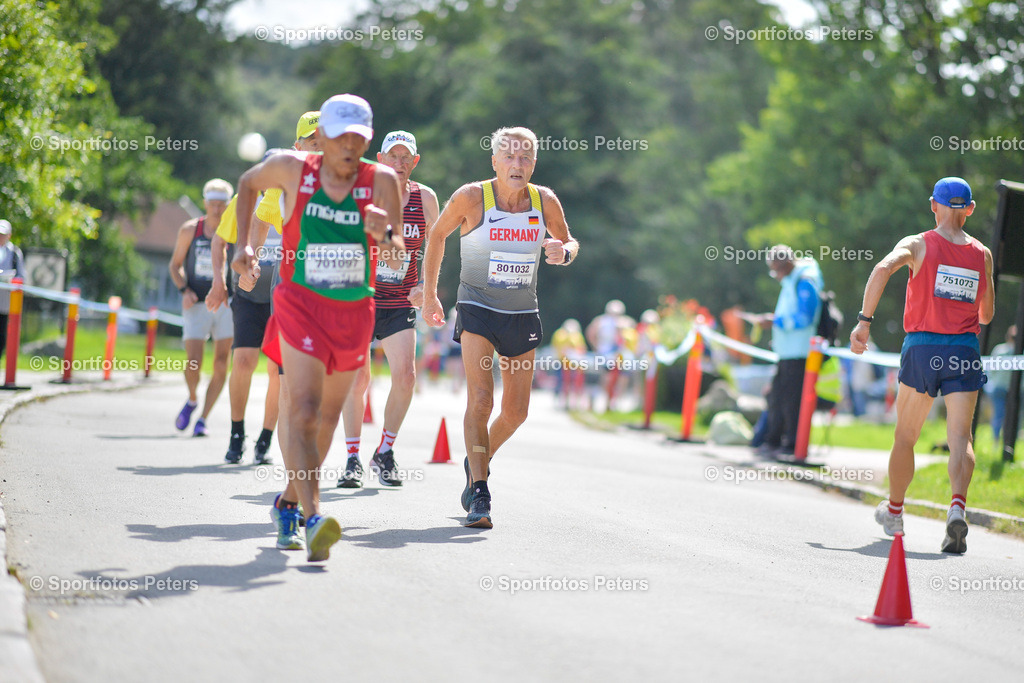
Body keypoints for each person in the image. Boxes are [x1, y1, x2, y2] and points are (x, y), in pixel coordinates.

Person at [232, 94, 405, 561]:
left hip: (352, 312)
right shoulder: (293, 169)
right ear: (322, 136)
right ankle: (314, 517)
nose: (350, 146)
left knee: (327, 418)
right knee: (304, 410)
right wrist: (244, 247)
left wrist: (383, 234)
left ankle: (288, 503)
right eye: (341, 136)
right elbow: (248, 184)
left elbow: (396, 253)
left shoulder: (382, 181)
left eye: (359, 138)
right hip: (300, 304)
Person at [421, 126, 580, 528]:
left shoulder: (544, 201)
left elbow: (570, 243)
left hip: (521, 313)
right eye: (509, 156)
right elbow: (437, 237)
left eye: (526, 156)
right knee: (480, 400)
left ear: (534, 163)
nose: (517, 163)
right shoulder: (472, 197)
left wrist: (563, 252)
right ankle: (480, 492)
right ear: (494, 161)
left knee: (516, 412)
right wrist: (430, 294)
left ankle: (479, 459)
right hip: (476, 307)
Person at [852, 177, 994, 554]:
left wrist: (864, 322)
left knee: (906, 436)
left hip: (922, 347)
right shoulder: (982, 254)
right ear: (970, 209)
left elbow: (883, 268)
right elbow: (988, 313)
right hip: (963, 349)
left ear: (934, 205)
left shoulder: (918, 244)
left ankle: (895, 512)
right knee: (960, 438)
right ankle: (956, 508)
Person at [209, 112, 321, 465]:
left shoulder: (335, 184)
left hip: (287, 291)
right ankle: (237, 433)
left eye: (323, 142)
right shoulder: (267, 191)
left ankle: (267, 438)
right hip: (253, 288)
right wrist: (238, 269)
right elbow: (229, 239)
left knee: (278, 370)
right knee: (242, 361)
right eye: (310, 143)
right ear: (295, 148)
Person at [338, 130, 439, 488]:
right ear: (379, 159)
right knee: (357, 379)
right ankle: (351, 458)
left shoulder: (425, 198)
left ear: (415, 161)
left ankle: (385, 451)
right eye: (392, 156)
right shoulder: (364, 194)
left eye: (405, 157)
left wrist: (426, 286)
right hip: (362, 299)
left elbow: (436, 244)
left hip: (399, 303)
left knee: (406, 376)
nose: (399, 163)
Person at [168, 179, 235, 437]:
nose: (217, 210)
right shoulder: (190, 230)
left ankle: (203, 418)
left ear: (229, 205)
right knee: (193, 362)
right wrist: (184, 290)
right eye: (213, 204)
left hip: (227, 305)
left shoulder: (236, 231)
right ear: (205, 202)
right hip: (196, 303)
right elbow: (175, 266)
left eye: (222, 205)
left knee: (221, 364)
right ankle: (193, 399)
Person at [751, 245, 823, 457]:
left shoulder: (805, 281)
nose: (776, 276)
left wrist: (775, 321)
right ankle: (775, 441)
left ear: (787, 264)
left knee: (792, 400)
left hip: (799, 352)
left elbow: (805, 317)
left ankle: (791, 444)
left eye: (777, 270)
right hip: (788, 351)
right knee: (777, 397)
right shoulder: (792, 279)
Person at [985, 325, 1020, 441]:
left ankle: (995, 439)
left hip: (998, 386)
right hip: (1017, 389)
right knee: (1015, 415)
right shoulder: (1020, 352)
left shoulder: (999, 350)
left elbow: (991, 369)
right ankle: (1011, 439)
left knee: (998, 414)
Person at [0, 219, 26, 358]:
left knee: (2, 335)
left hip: (4, 302)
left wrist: (10, 280)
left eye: (3, 234)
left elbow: (22, 276)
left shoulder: (15, 253)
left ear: (9, 235)